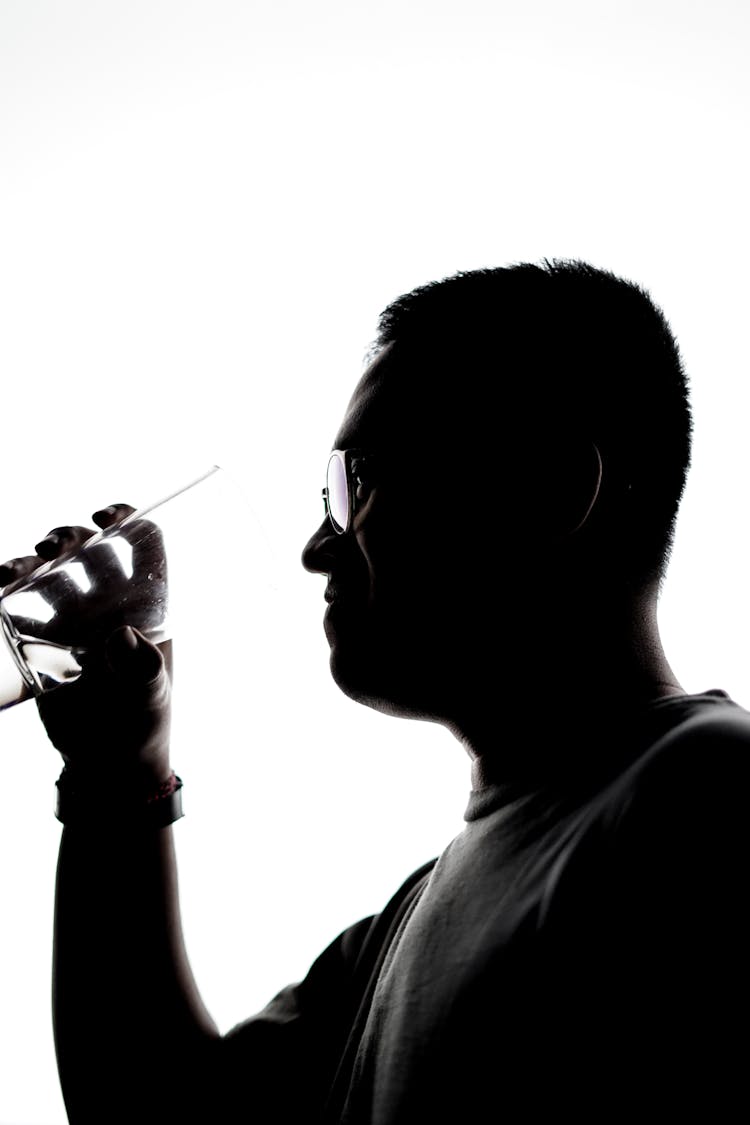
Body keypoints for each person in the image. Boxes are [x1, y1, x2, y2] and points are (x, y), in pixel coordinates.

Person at [3, 259, 747, 1122]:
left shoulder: (707, 795)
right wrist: (115, 768)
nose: (317, 548)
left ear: (549, 486)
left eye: (355, 484)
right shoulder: (408, 922)